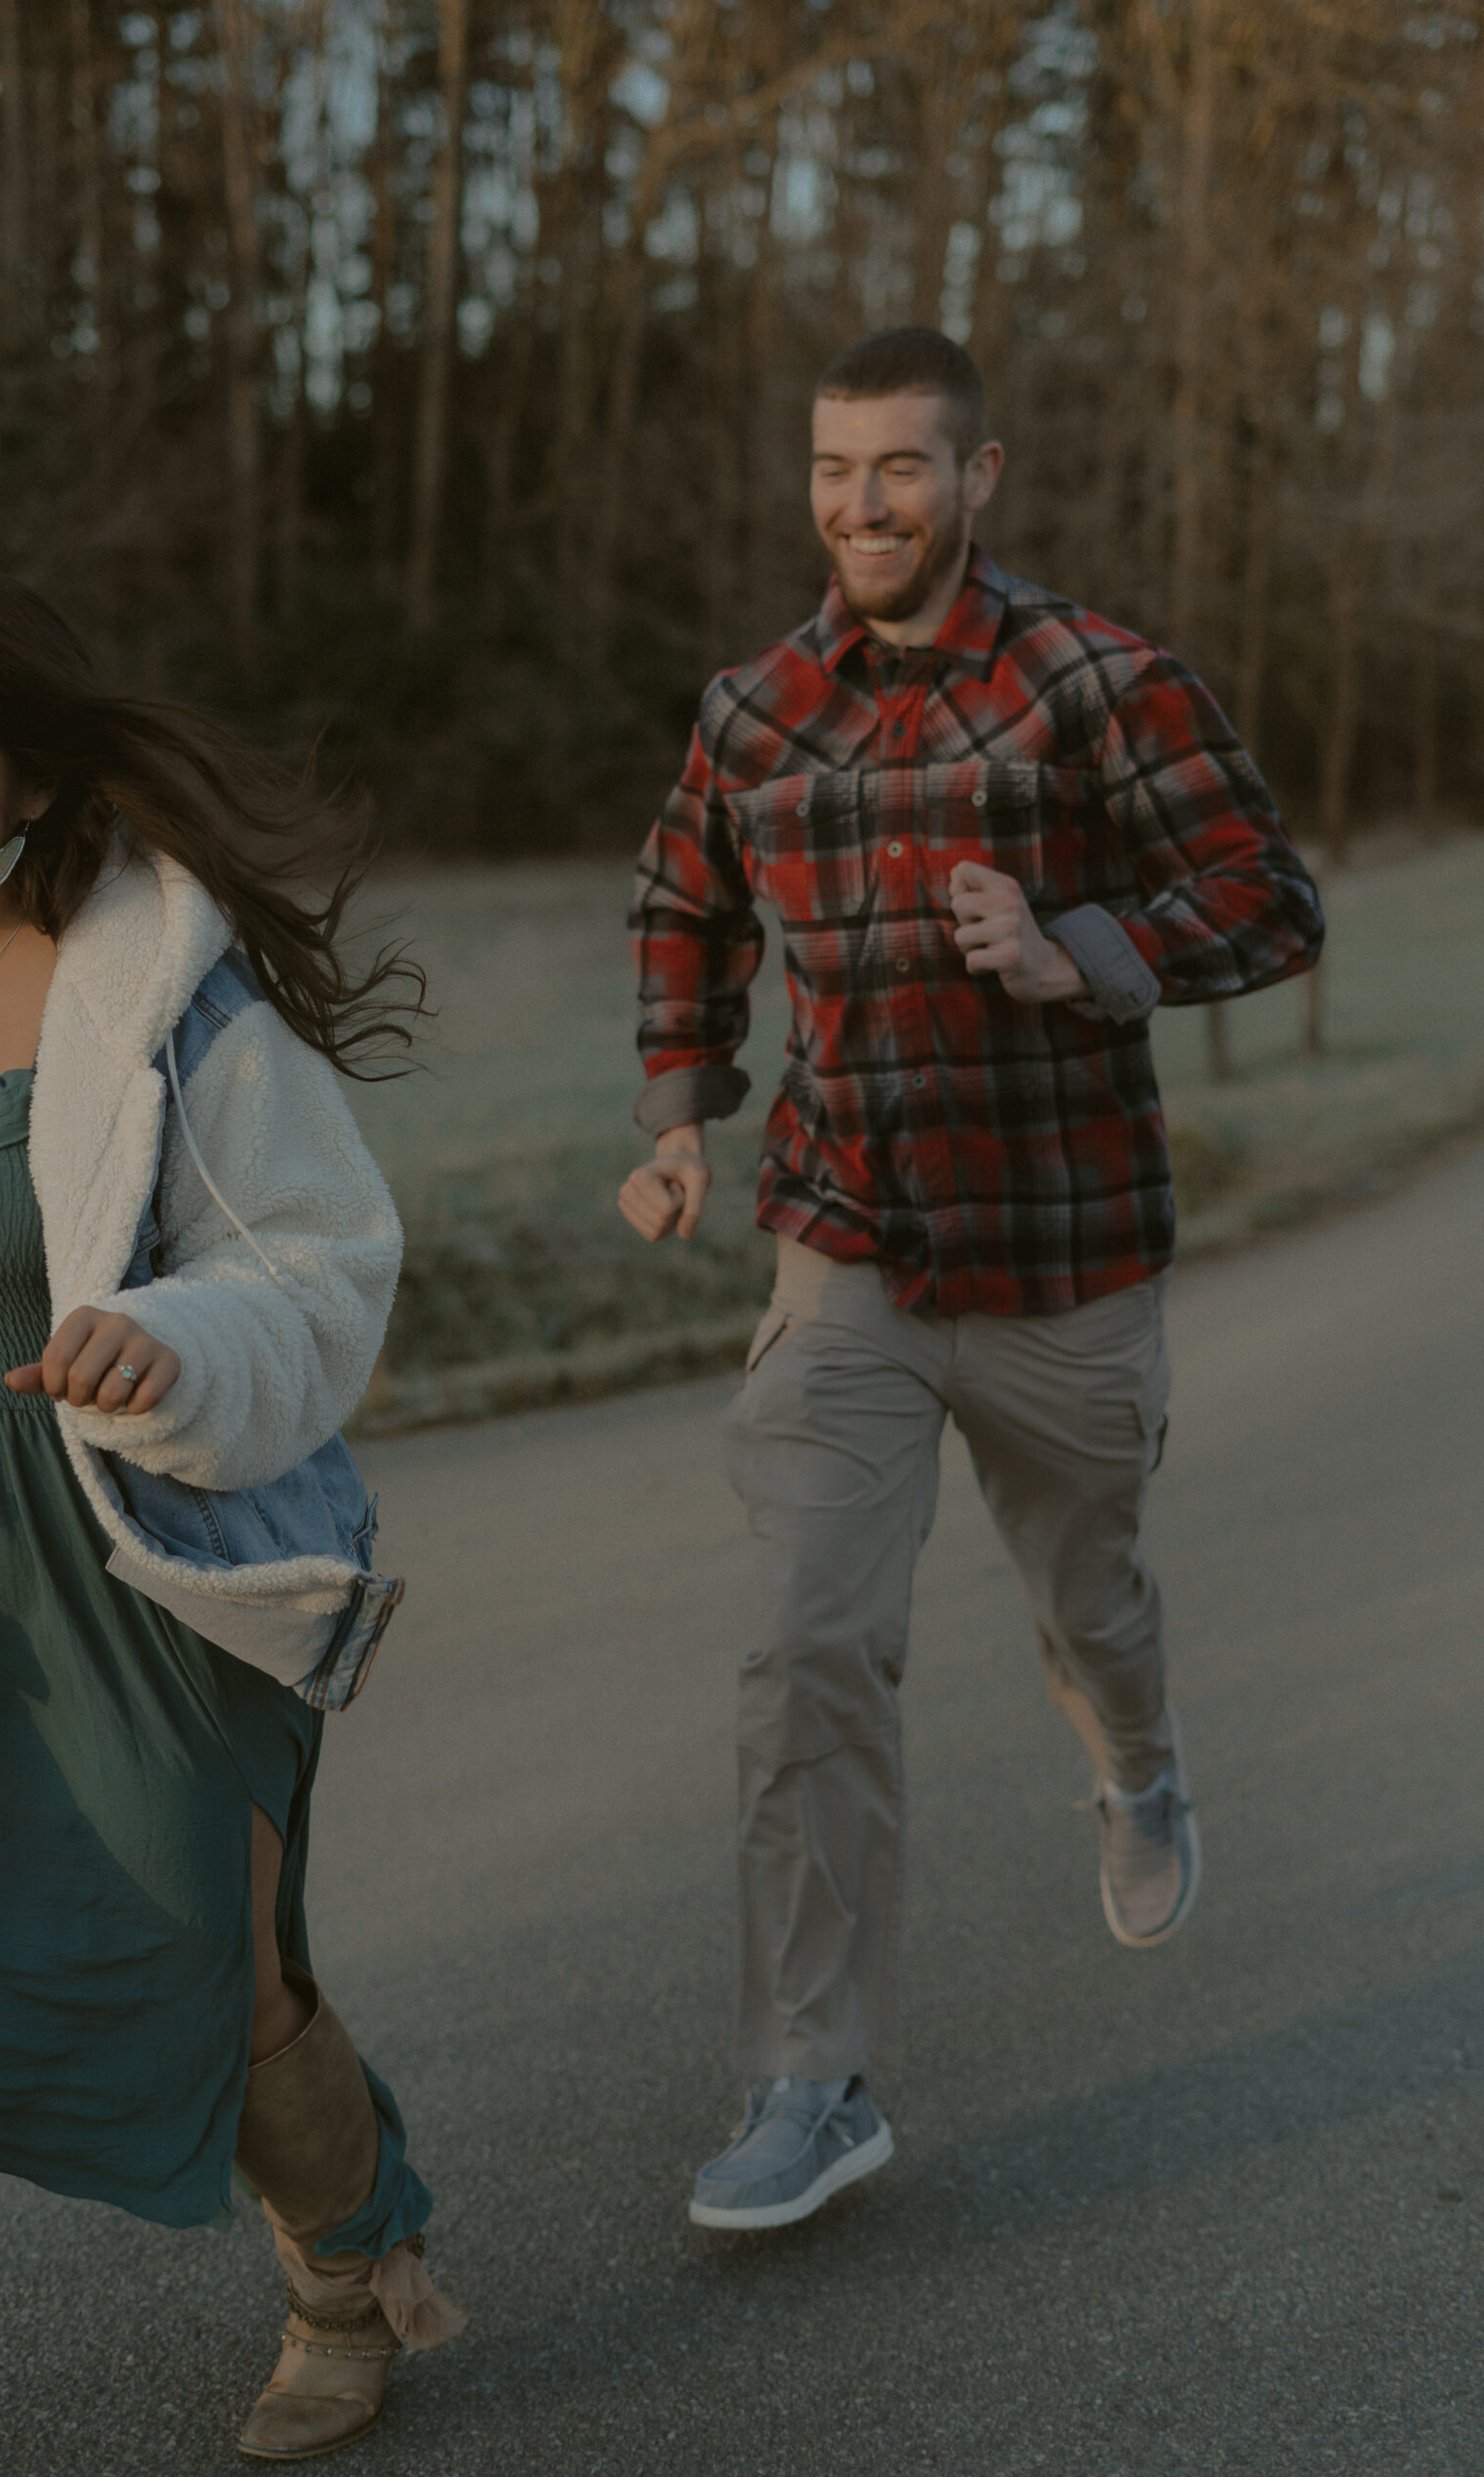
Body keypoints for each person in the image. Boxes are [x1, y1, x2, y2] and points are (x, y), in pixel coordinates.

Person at [619, 327, 1324, 2234]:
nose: (863, 505)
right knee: (802, 1643)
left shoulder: (1091, 680)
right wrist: (683, 1107)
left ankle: (1139, 1759)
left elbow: (1268, 894)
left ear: (977, 476)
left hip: (1062, 1255)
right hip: (842, 1244)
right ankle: (808, 2074)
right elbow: (684, 901)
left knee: (1086, 1594)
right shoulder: (756, 707)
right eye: (836, 469)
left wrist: (1073, 939)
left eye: (902, 470)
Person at [0, 569, 465, 2473]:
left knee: (220, 1952)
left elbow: (324, 1256)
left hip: (131, 1552)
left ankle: (351, 2277)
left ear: (22, 773)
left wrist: (164, 1335)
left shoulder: (161, 985)